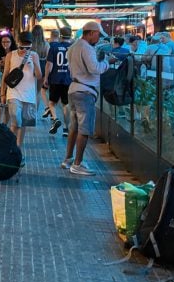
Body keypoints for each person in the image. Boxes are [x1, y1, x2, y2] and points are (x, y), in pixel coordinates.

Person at [62, 21, 116, 176]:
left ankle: (68, 159)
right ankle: (77, 164)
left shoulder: (73, 47)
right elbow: (95, 69)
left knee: (74, 127)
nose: (98, 38)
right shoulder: (86, 48)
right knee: (84, 129)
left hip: (74, 89)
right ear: (91, 33)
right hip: (85, 92)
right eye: (98, 34)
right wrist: (107, 62)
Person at [0, 31, 42, 166]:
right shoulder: (10, 55)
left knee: (23, 124)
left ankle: (18, 149)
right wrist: (2, 93)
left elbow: (39, 76)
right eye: (22, 47)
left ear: (31, 45)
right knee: (16, 122)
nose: (24, 50)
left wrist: (35, 63)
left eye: (27, 47)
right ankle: (10, 149)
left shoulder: (34, 55)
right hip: (14, 93)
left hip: (29, 95)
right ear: (18, 44)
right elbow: (5, 76)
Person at [44, 26, 73, 136]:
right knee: (66, 104)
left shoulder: (54, 47)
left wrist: (46, 78)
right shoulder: (73, 48)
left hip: (55, 79)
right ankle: (66, 129)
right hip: (68, 79)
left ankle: (55, 119)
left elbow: (49, 65)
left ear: (60, 35)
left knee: (52, 103)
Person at [31, 25, 51, 119]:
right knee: (38, 92)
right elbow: (48, 58)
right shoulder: (46, 44)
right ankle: (35, 114)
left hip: (31, 67)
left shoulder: (30, 44)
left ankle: (29, 113)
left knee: (31, 91)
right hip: (42, 66)